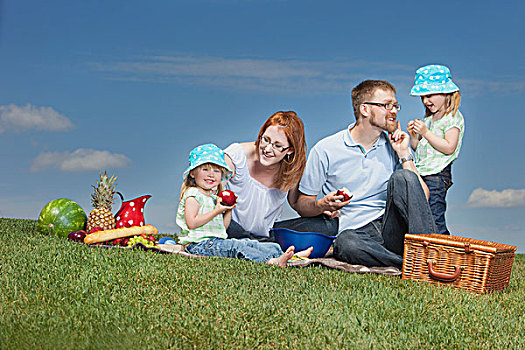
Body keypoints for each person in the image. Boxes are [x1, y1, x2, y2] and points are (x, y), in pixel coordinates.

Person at [278, 80, 436, 269]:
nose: (394, 111)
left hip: (389, 227)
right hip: (356, 235)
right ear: (365, 110)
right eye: (386, 105)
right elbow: (303, 205)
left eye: (395, 106)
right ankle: (413, 267)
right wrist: (322, 204)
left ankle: (432, 257)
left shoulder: (395, 147)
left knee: (403, 177)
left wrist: (404, 154)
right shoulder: (326, 149)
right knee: (346, 243)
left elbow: (422, 198)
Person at [175, 143, 312, 267]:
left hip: (214, 241)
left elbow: (223, 227)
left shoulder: (212, 197)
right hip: (198, 246)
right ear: (193, 173)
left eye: (216, 171)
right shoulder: (193, 195)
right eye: (205, 169)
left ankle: (290, 257)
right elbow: (192, 223)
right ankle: (270, 261)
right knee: (236, 247)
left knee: (250, 243)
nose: (211, 175)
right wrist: (217, 210)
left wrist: (228, 211)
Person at [223, 111, 307, 241]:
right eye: (266, 140)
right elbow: (209, 193)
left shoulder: (292, 168)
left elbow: (296, 202)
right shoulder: (236, 155)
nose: (267, 149)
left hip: (267, 233)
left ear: (290, 149)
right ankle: (265, 248)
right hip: (230, 227)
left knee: (326, 225)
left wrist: (321, 207)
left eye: (277, 145)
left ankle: (262, 245)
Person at [407, 64, 464, 235]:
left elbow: (449, 147)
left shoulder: (451, 118)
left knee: (434, 216)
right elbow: (419, 149)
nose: (425, 101)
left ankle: (445, 250)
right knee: (423, 216)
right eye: (422, 97)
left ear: (446, 94)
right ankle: (430, 252)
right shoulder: (430, 119)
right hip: (423, 172)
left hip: (437, 176)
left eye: (429, 95)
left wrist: (426, 132)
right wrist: (414, 136)